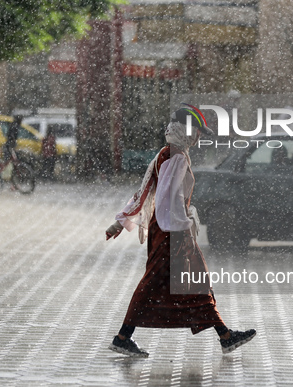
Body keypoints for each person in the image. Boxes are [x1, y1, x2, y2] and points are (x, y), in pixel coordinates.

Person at [105, 104, 256, 358]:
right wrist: (182, 227)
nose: (198, 137)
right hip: (171, 231)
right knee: (159, 283)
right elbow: (167, 197)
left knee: (192, 281)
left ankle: (225, 336)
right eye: (197, 131)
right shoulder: (177, 157)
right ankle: (122, 337)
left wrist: (121, 221)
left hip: (166, 228)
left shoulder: (165, 153)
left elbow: (145, 191)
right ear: (186, 131)